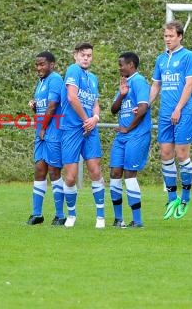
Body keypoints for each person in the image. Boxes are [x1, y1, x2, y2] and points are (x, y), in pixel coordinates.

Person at [150, 20, 192, 220]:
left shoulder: (189, 56)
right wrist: (145, 105)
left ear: (180, 36)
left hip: (184, 112)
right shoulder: (161, 59)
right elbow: (155, 85)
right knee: (165, 153)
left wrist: (178, 108)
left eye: (171, 36)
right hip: (165, 114)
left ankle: (186, 196)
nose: (167, 39)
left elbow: (190, 84)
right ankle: (172, 198)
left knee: (181, 155)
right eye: (165, 36)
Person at [59, 42, 106, 228]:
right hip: (72, 129)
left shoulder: (93, 78)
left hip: (90, 129)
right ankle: (71, 215)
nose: (86, 58)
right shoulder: (73, 70)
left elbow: (95, 102)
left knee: (95, 170)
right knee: (70, 177)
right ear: (75, 56)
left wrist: (94, 118)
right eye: (83, 55)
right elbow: (72, 97)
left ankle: (100, 217)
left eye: (89, 55)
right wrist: (86, 119)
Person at [109, 52, 151, 228]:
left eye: (121, 65)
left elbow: (142, 108)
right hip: (122, 137)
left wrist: (128, 128)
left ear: (131, 65)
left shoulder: (140, 81)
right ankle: (118, 219)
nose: (119, 68)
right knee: (114, 174)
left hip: (137, 135)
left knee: (129, 175)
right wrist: (121, 94)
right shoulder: (125, 84)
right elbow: (113, 110)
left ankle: (137, 220)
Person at [26, 51, 66, 226]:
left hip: (53, 130)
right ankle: (37, 214)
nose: (39, 68)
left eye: (42, 64)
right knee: (39, 170)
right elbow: (43, 108)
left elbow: (52, 106)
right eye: (37, 65)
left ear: (52, 64)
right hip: (41, 131)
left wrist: (43, 128)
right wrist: (35, 107)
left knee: (53, 171)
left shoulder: (55, 79)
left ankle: (60, 215)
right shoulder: (41, 82)